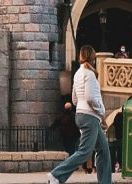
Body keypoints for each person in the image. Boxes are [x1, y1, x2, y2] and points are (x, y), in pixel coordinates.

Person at [50, 45, 112, 184]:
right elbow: (90, 97)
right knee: (84, 152)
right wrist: (101, 111)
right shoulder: (89, 74)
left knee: (103, 150)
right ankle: (56, 175)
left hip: (84, 115)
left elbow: (74, 99)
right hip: (90, 116)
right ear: (92, 57)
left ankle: (106, 181)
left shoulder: (78, 73)